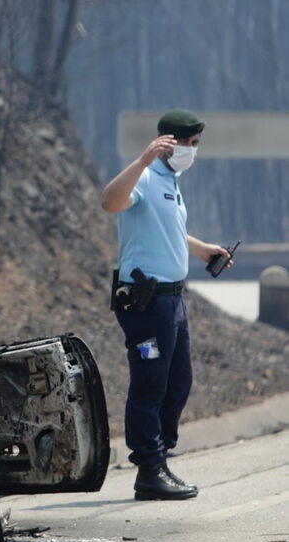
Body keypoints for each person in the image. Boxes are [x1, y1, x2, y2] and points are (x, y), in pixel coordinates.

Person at [100, 108, 232, 501]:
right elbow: (110, 202)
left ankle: (160, 458)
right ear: (169, 143)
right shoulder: (144, 176)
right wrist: (141, 159)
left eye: (196, 145)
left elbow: (169, 229)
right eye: (190, 144)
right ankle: (148, 469)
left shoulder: (171, 181)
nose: (194, 152)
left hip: (173, 301)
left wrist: (202, 249)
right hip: (145, 305)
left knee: (179, 380)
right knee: (150, 381)